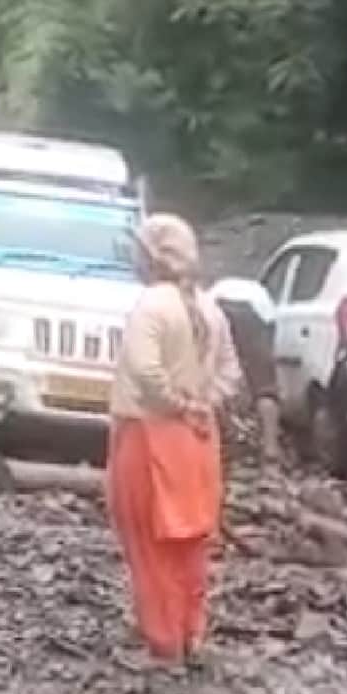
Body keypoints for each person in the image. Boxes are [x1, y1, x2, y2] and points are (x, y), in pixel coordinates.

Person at [108, 213, 241, 667]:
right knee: (190, 546)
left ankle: (162, 644)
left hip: (149, 434)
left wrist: (174, 402)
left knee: (148, 542)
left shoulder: (151, 306)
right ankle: (191, 634)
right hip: (200, 442)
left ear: (150, 256)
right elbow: (230, 372)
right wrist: (202, 404)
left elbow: (145, 371)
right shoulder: (210, 308)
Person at [208, 278, 282, 462]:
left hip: (218, 309)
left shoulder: (215, 290)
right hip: (255, 314)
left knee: (215, 376)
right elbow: (269, 329)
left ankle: (221, 440)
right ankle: (270, 447)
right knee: (265, 384)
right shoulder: (262, 296)